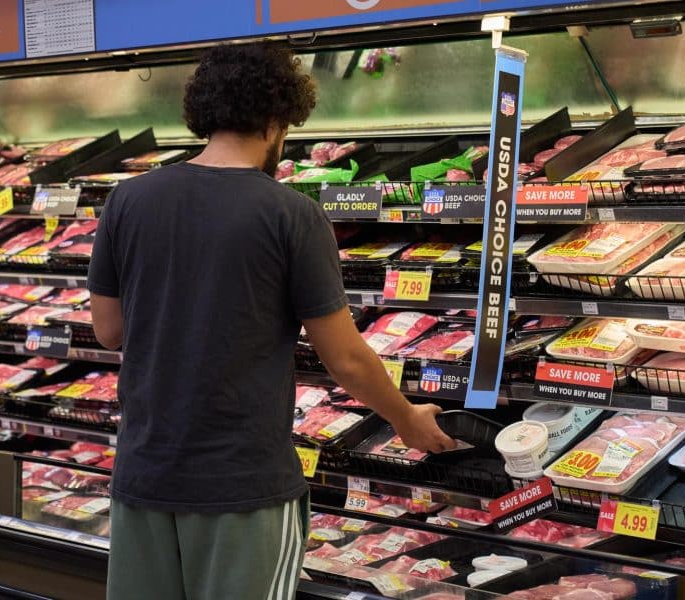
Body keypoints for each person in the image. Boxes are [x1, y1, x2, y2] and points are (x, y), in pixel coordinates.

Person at [88, 43, 455, 600]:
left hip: (143, 476)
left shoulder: (128, 200)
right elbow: (347, 358)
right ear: (277, 118)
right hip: (243, 486)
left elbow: (108, 330)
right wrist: (405, 417)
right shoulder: (293, 215)